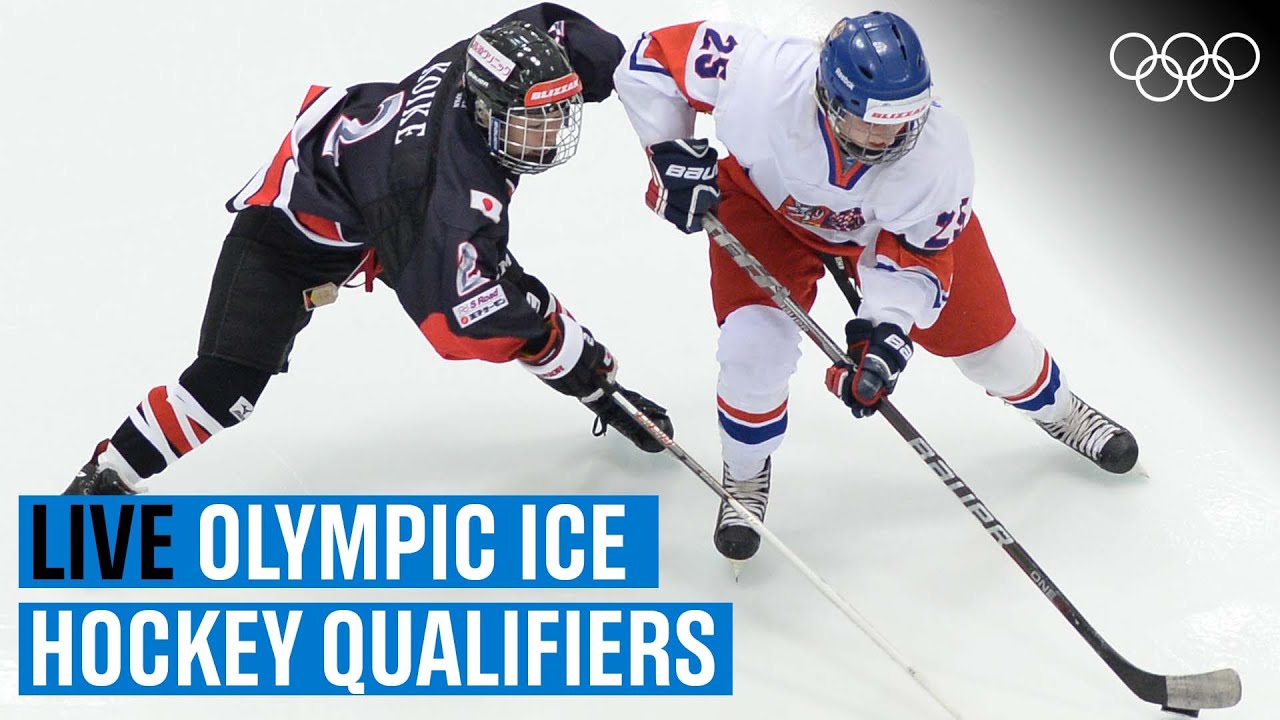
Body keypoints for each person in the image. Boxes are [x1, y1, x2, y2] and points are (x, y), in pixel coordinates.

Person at [63, 4, 673, 495]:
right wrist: (568, 353)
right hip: (288, 239)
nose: (547, 140)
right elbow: (458, 320)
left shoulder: (489, 63)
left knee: (514, 294)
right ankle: (104, 482)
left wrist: (629, 79)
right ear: (487, 110)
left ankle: (593, 383)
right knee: (226, 385)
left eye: (556, 118)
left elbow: (548, 26)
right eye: (529, 125)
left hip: (366, 196)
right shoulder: (443, 195)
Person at [612, 11, 1138, 562]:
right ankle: (744, 477)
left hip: (882, 234)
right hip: (766, 210)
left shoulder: (938, 152)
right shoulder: (762, 76)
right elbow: (650, 60)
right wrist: (668, 152)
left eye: (901, 123)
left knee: (994, 352)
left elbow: (916, 255)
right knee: (752, 352)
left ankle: (1063, 412)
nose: (887, 138)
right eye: (870, 123)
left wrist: (884, 335)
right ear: (829, 98)